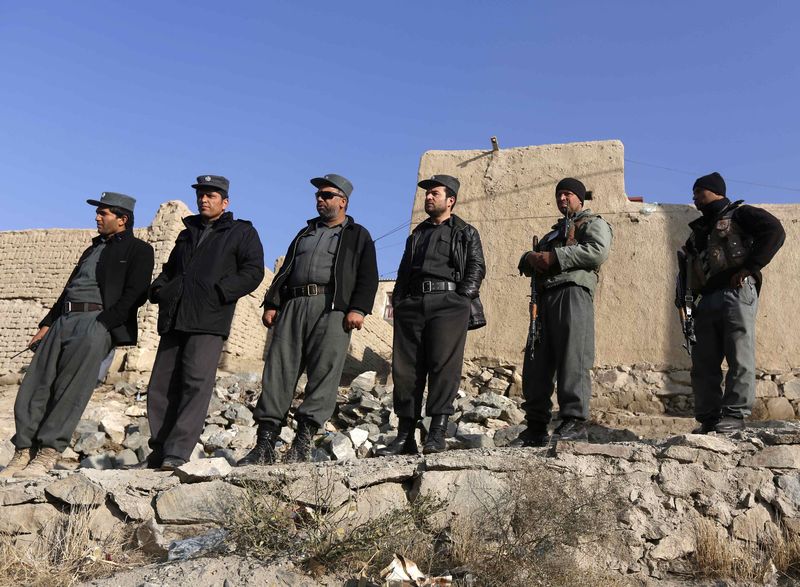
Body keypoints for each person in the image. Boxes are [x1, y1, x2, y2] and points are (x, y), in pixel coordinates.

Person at [1, 193, 154, 478]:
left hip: (94, 323)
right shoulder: (92, 248)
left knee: (70, 391)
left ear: (122, 220)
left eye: (104, 213)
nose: (97, 217)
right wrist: (47, 324)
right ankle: (23, 451)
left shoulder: (139, 250)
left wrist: (103, 324)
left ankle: (47, 454)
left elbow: (136, 293)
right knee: (34, 385)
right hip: (64, 320)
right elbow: (68, 289)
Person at [238, 174, 378, 465]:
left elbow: (368, 277)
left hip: (332, 308)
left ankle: (302, 443)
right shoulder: (305, 233)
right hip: (294, 305)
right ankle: (264, 443)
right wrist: (273, 302)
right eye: (318, 195)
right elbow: (286, 269)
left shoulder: (357, 235)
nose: (320, 200)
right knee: (279, 370)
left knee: (325, 371)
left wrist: (358, 309)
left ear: (343, 201)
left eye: (327, 195)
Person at [143, 175, 264, 470]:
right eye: (200, 195)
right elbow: (171, 269)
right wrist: (160, 288)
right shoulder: (188, 232)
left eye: (211, 195)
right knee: (161, 385)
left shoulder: (240, 232)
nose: (204, 200)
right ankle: (158, 451)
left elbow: (253, 271)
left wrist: (220, 292)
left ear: (225, 201)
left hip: (208, 319)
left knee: (195, 384)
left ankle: (178, 452)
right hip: (175, 317)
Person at [377, 174, 485, 456]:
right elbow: (402, 272)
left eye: (434, 193)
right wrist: (400, 303)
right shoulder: (417, 235)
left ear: (451, 200)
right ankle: (405, 436)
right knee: (406, 370)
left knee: (443, 368)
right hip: (412, 305)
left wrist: (462, 298)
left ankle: (436, 433)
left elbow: (476, 265)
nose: (428, 197)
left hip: (449, 303)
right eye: (426, 193)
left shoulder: (465, 232)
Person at [679, 172, 785, 433]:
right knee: (703, 362)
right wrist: (683, 302)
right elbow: (686, 271)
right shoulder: (697, 233)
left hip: (736, 292)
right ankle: (709, 418)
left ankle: (735, 415)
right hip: (706, 300)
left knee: (739, 355)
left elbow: (775, 231)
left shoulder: (740, 214)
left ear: (716, 191)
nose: (695, 199)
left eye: (699, 192)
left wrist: (750, 267)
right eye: (693, 194)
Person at [517, 178, 612, 445]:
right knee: (536, 363)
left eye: (567, 194)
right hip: (544, 299)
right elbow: (530, 260)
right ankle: (535, 426)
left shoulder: (593, 224)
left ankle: (574, 421)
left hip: (573, 293)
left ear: (580, 199)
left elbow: (596, 252)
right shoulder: (551, 235)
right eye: (559, 195)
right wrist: (528, 258)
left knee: (573, 358)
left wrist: (555, 258)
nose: (562, 199)